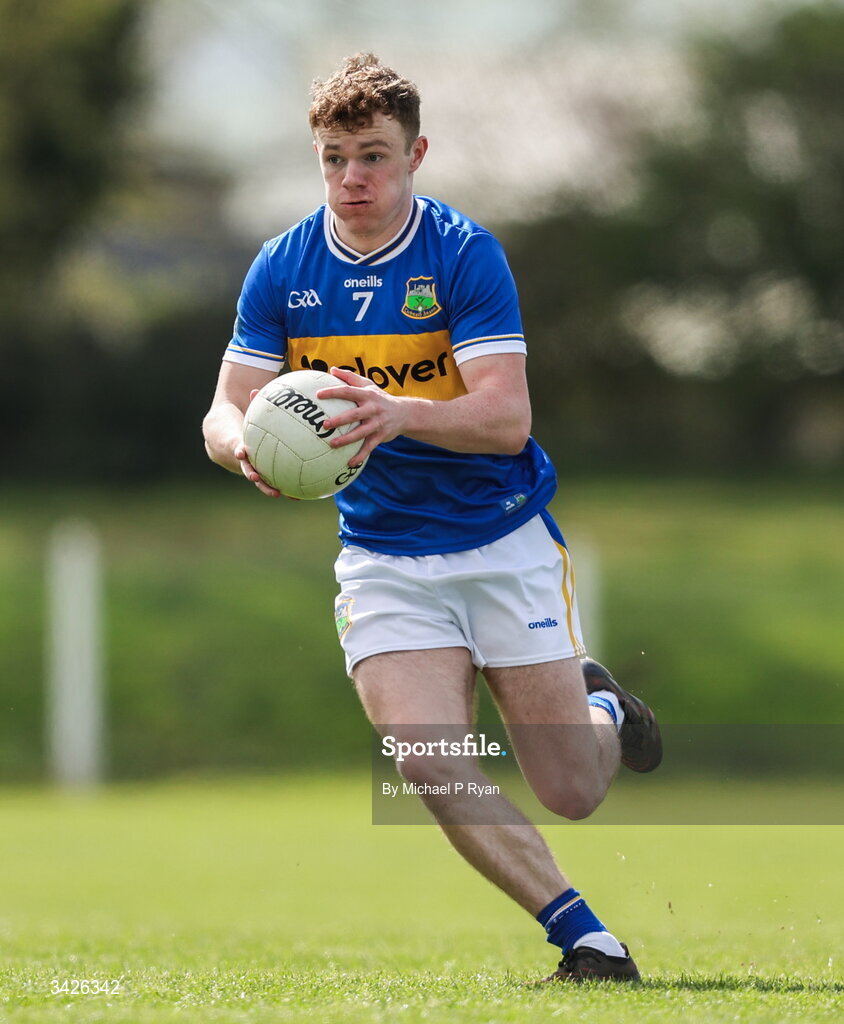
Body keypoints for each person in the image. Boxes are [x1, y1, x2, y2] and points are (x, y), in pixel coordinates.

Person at [202, 52, 662, 983]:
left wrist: (396, 411)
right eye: (333, 158)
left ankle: (603, 705)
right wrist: (241, 443)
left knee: (571, 789)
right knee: (425, 754)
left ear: (417, 153)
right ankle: (585, 939)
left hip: (499, 538)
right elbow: (224, 405)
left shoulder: (462, 254)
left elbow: (506, 420)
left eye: (372, 156)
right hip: (382, 556)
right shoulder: (283, 267)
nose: (351, 179)